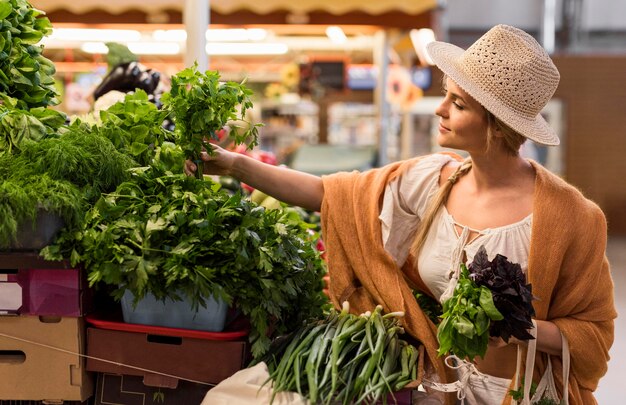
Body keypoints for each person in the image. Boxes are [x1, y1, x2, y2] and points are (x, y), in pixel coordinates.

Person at [187, 24, 616, 405]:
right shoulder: (433, 180)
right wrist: (235, 164)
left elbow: (593, 334)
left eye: (458, 103)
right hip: (428, 390)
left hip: (515, 395)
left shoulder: (571, 217)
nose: (439, 109)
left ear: (497, 125)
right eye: (445, 95)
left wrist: (521, 327)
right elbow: (329, 193)